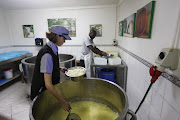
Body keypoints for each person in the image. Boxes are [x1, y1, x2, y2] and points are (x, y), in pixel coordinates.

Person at [30, 25, 71, 111]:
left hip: (46, 90)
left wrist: (59, 68)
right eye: (64, 38)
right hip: (41, 92)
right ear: (57, 36)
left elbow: (49, 65)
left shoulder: (53, 47)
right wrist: (63, 103)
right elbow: (48, 85)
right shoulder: (47, 54)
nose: (65, 41)